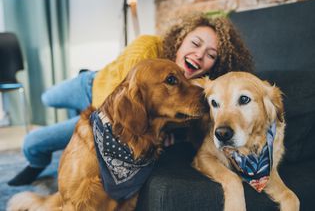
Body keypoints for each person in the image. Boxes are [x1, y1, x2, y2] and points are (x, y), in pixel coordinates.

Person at [8, 12, 254, 186]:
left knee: (34, 142)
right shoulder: (147, 48)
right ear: (180, 40)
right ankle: (81, 78)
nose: (199, 56)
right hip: (96, 87)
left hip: (107, 114)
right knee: (47, 97)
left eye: (210, 55)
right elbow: (117, 105)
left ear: (216, 64)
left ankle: (36, 163)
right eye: (195, 43)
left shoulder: (200, 90)